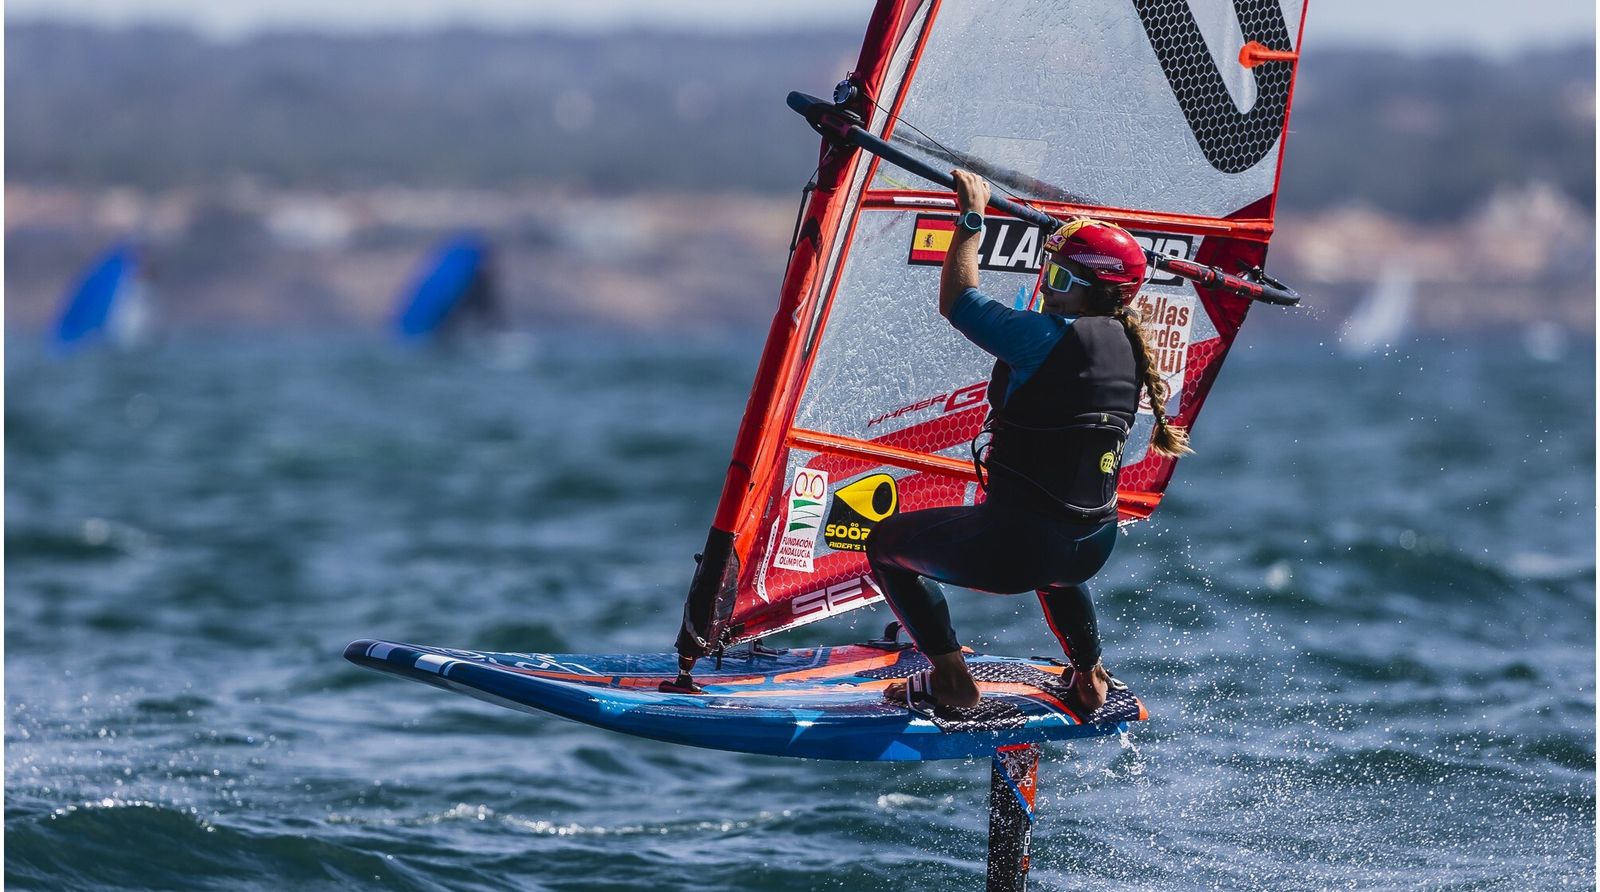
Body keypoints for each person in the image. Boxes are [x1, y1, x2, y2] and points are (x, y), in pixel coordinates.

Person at [870, 169, 1191, 716]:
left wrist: (972, 218)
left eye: (1059, 278)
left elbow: (959, 300)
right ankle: (1089, 677)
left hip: (1016, 550)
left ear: (1092, 290)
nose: (1046, 287)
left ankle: (952, 681)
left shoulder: (1040, 337)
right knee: (1057, 565)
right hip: (1092, 548)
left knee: (885, 546)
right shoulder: (1132, 347)